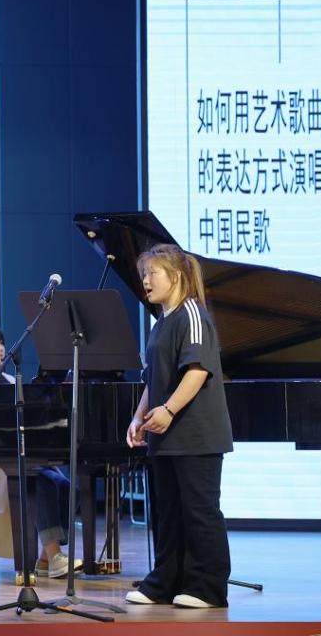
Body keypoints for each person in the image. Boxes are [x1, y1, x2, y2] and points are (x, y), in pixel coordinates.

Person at [124, 243, 232, 609]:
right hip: (165, 435)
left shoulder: (192, 314)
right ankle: (165, 582)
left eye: (152, 273)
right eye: (144, 274)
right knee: (168, 512)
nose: (145, 281)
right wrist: (139, 417)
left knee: (200, 510)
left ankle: (208, 587)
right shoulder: (162, 323)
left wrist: (168, 409)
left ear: (176, 276)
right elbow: (153, 379)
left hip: (196, 433)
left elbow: (197, 371)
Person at [0, 321, 82, 579]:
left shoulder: (9, 380)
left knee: (67, 486)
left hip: (12, 453)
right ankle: (54, 555)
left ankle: (45, 558)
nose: (1, 348)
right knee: (40, 482)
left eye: (1, 342)